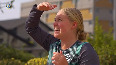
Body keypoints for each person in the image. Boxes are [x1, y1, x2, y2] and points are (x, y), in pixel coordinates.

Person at [26, 2, 100, 65]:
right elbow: (31, 28)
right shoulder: (53, 44)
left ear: (74, 25)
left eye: (59, 20)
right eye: (55, 20)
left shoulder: (85, 50)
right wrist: (38, 10)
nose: (54, 24)